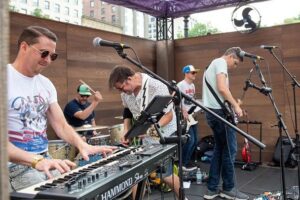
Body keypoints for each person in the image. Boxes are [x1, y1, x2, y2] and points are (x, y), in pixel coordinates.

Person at [7, 26, 114, 191]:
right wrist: (36, 161)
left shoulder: (46, 84)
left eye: (53, 56)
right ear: (24, 47)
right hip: (13, 166)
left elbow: (61, 125)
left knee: (76, 189)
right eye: (44, 53)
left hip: (44, 159)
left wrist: (81, 145)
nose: (48, 60)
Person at [108, 65, 182, 200]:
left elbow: (168, 116)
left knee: (166, 175)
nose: (121, 92)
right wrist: (126, 131)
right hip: (146, 133)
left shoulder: (156, 86)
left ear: (129, 79)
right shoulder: (126, 93)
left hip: (164, 132)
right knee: (137, 173)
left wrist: (150, 130)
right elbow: (127, 111)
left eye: (121, 87)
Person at [202, 47, 249, 200]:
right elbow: (222, 88)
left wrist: (234, 103)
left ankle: (212, 188)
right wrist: (236, 106)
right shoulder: (220, 62)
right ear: (230, 56)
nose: (234, 67)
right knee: (230, 150)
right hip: (218, 114)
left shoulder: (212, 65)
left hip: (212, 113)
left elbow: (219, 92)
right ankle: (228, 188)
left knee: (220, 150)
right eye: (235, 63)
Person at [177, 65, 200, 171]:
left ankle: (187, 161)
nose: (194, 74)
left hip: (192, 116)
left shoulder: (193, 86)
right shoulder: (180, 85)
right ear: (186, 73)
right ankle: (182, 164)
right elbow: (176, 100)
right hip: (184, 117)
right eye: (192, 72)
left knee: (195, 141)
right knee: (189, 140)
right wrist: (183, 111)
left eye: (195, 72)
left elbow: (191, 100)